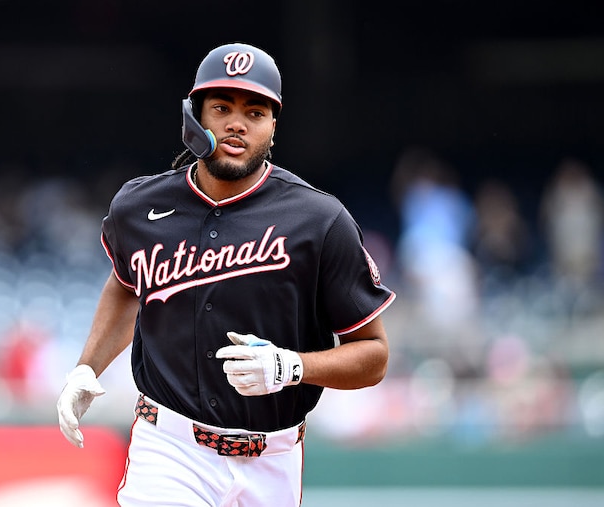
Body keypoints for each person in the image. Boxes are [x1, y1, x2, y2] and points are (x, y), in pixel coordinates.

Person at [57, 42, 396, 507]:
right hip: (170, 447)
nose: (237, 122)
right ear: (194, 117)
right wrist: (86, 368)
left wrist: (293, 366)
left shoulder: (319, 220)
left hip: (273, 458)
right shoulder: (138, 207)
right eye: (222, 107)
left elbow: (373, 355)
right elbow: (126, 285)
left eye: (255, 112)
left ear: (273, 127)